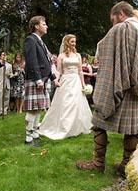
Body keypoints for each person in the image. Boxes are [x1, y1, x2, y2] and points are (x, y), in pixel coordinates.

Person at [76, 1, 138, 177]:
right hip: (136, 87)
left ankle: (97, 163)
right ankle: (126, 166)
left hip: (118, 85)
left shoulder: (120, 29)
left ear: (121, 14)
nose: (113, 23)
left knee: (98, 123)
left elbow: (101, 53)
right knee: (132, 129)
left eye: (113, 19)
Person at [39, 34, 93, 139]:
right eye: (72, 41)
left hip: (76, 82)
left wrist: (83, 85)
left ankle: (76, 127)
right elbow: (59, 71)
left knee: (76, 104)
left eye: (75, 41)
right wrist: (56, 80)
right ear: (67, 42)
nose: (74, 43)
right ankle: (64, 127)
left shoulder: (78, 55)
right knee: (66, 104)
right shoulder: (61, 56)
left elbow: (80, 71)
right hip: (66, 81)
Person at [23, 15, 59, 146]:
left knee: (38, 108)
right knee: (33, 108)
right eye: (44, 24)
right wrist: (38, 79)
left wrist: (53, 78)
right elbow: (32, 61)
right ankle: (28, 135)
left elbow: (47, 63)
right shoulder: (30, 40)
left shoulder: (40, 41)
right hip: (35, 79)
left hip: (42, 79)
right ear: (36, 26)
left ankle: (34, 131)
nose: (46, 26)